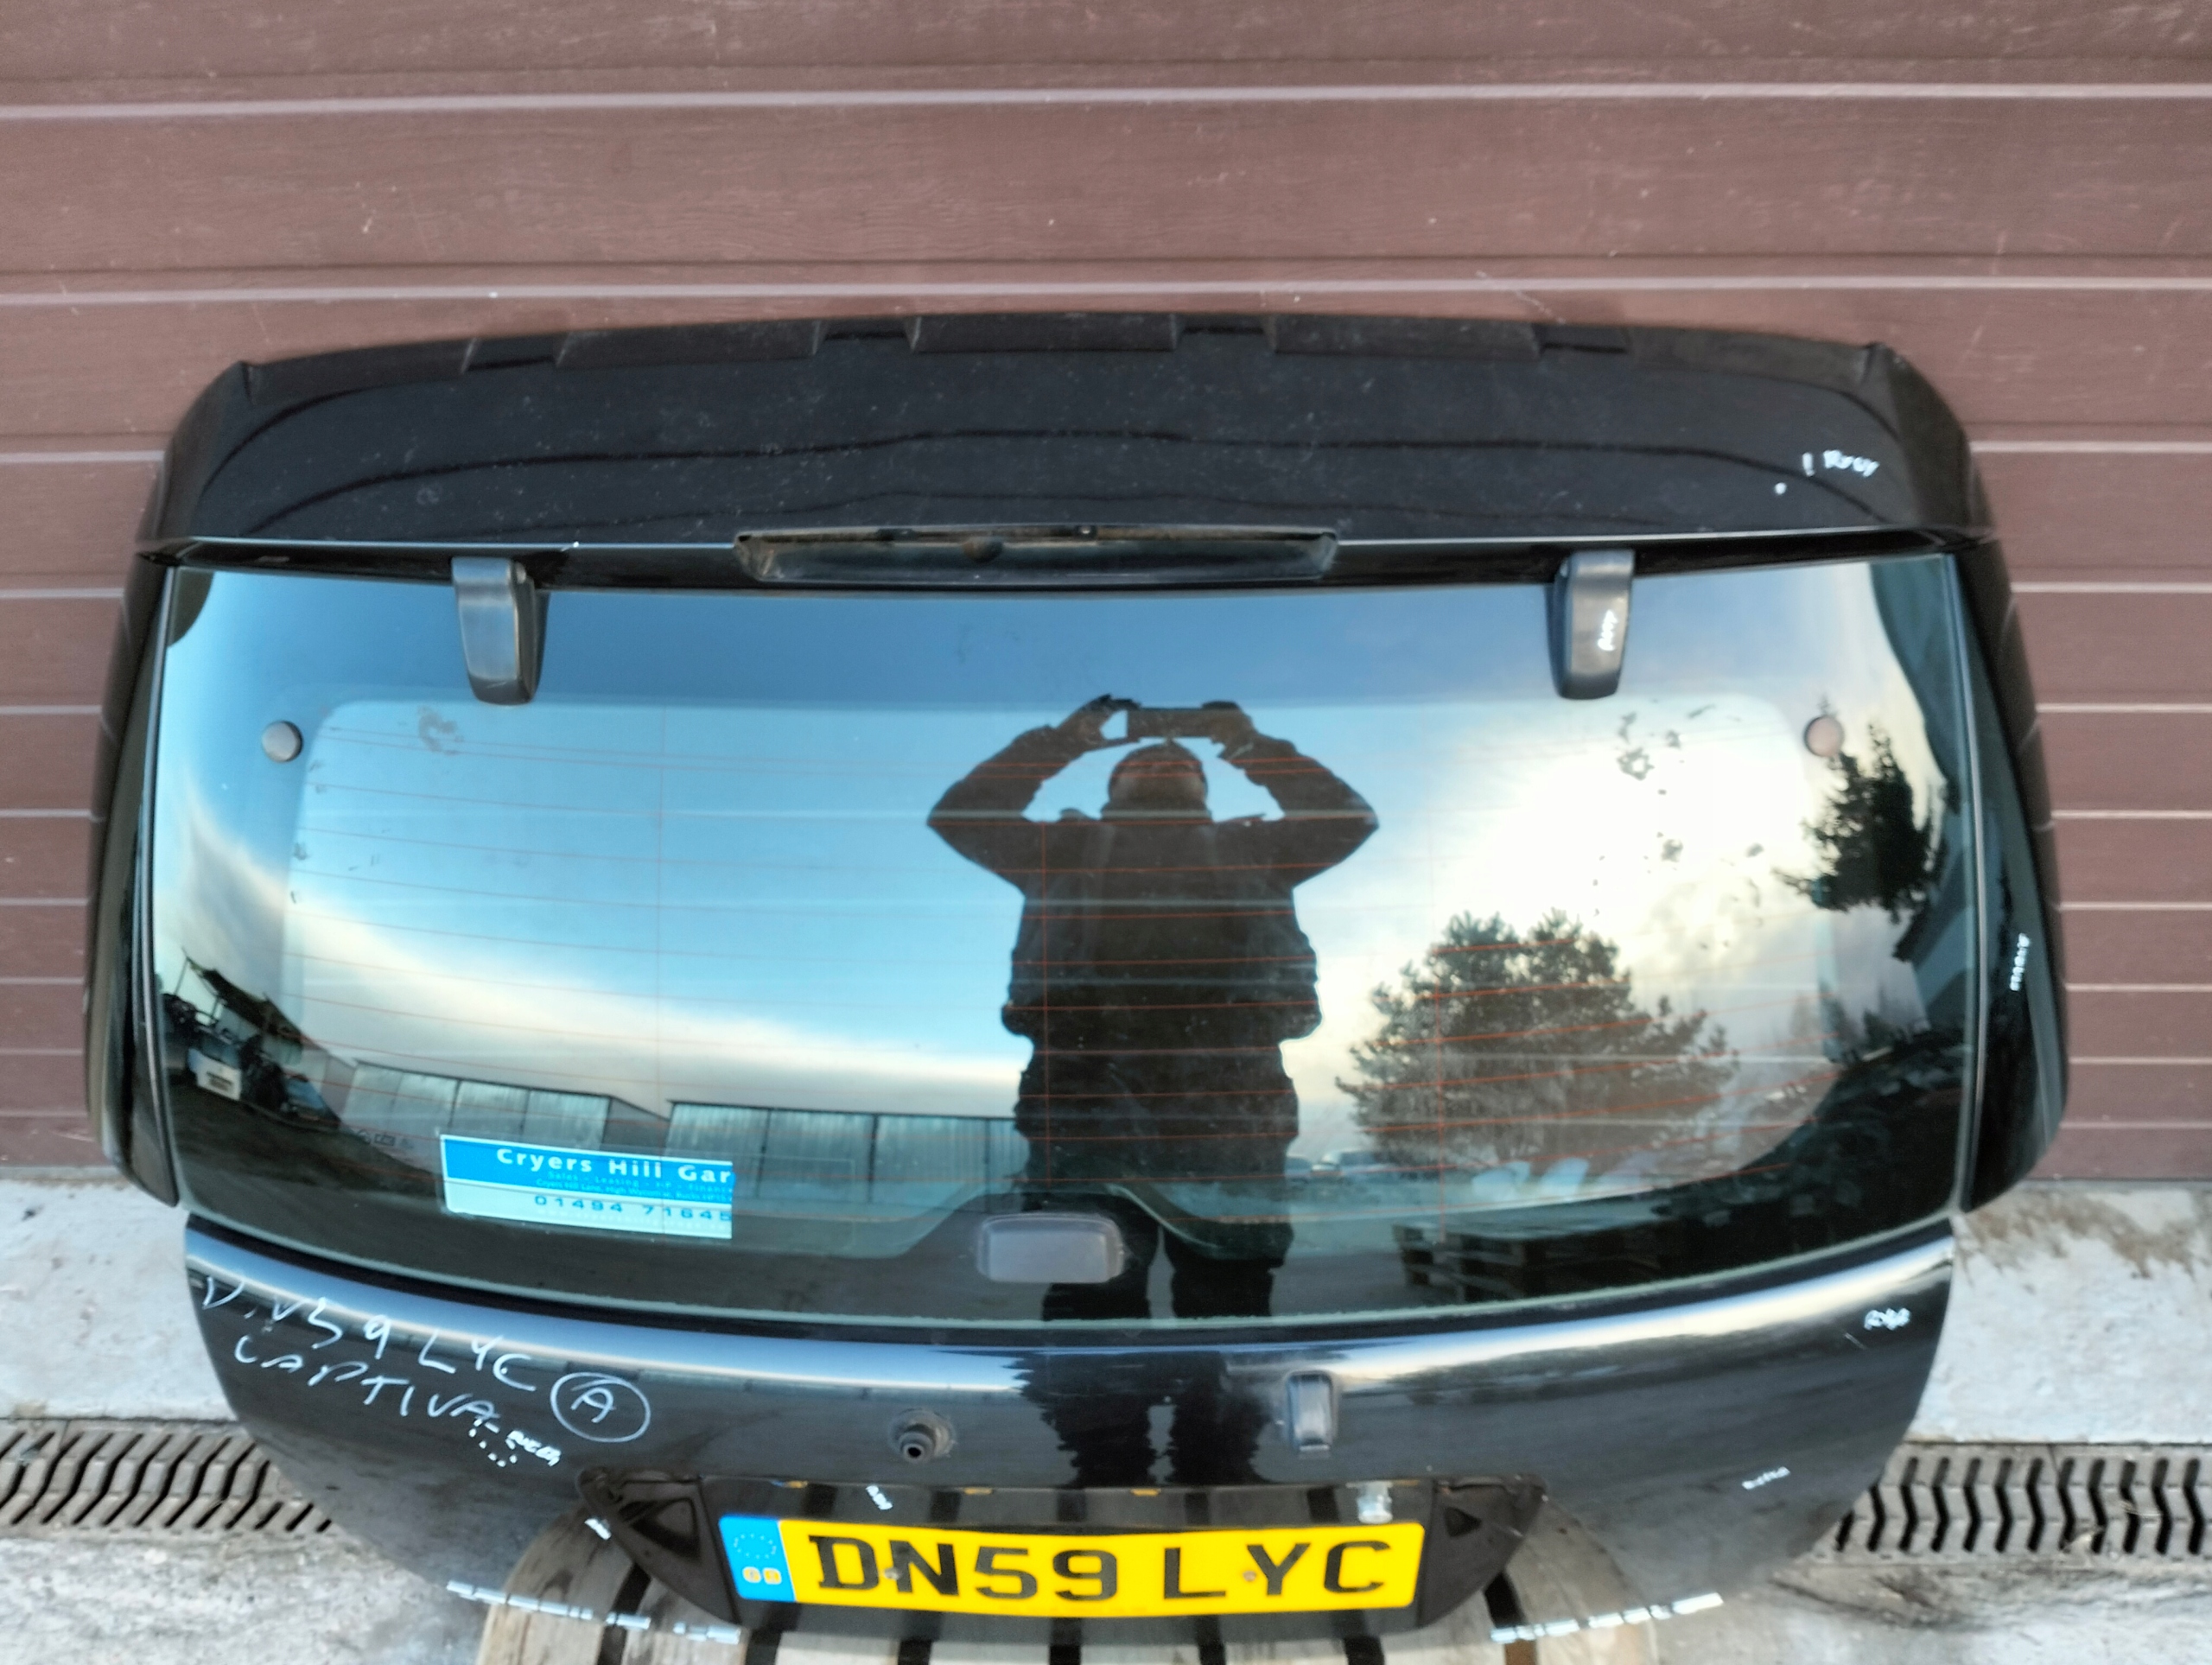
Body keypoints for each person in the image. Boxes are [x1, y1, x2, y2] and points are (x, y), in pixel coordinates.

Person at [931, 696, 1376, 1483]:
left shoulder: (1255, 848)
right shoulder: (1061, 849)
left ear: (1206, 785)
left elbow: (1347, 820)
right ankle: (1106, 1470)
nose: (1164, 757)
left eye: (1183, 758)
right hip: (1087, 1117)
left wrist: (1249, 743)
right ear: (1114, 783)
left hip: (1229, 1120)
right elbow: (962, 815)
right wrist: (1062, 741)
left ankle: (1218, 1469)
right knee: (1089, 1311)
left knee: (1231, 1312)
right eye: (1142, 756)